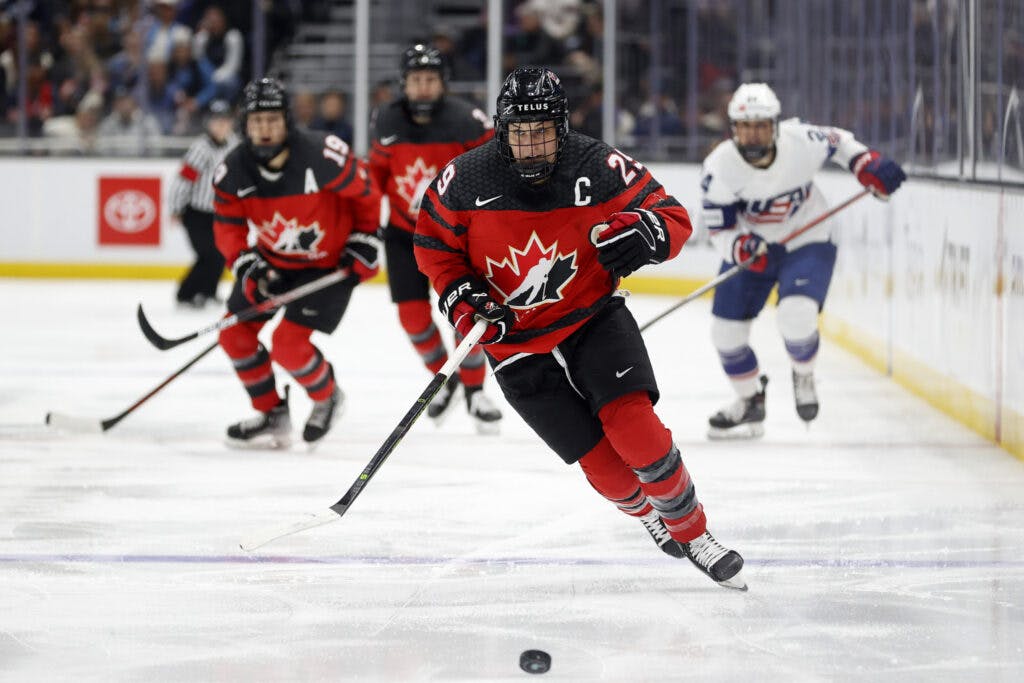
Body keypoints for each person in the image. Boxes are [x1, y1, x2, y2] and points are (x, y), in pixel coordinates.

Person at [414, 66, 746, 590]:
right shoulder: (466, 178)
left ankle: (696, 532)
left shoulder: (597, 163)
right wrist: (462, 298)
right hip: (513, 339)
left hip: (590, 314)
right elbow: (435, 251)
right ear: (502, 130)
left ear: (562, 127)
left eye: (541, 131)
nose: (530, 146)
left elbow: (672, 215)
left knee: (633, 426)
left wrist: (647, 232)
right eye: (520, 133)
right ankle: (649, 516)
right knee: (603, 466)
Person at [699, 82, 906, 439]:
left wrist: (865, 162)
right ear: (734, 128)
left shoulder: (800, 142)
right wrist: (744, 248)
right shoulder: (719, 167)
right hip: (756, 251)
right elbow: (720, 229)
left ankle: (804, 372)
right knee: (726, 335)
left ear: (775, 125)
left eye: (761, 125)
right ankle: (750, 401)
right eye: (746, 127)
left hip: (809, 238)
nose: (753, 134)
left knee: (797, 316)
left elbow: (839, 141)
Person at [213, 77, 383, 449]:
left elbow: (366, 190)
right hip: (273, 263)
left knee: (288, 345)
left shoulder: (323, 154)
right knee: (233, 334)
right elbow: (228, 228)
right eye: (257, 122)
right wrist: (246, 264)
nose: (266, 130)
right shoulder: (232, 171)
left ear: (287, 121)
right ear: (246, 126)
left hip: (329, 266)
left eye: (272, 120)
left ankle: (327, 397)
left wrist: (366, 238)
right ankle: (272, 414)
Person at [369, 44, 502, 433]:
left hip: (453, 236)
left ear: (442, 83)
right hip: (401, 233)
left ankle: (476, 392)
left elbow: (491, 174)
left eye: (430, 80)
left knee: (465, 313)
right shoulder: (387, 119)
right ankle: (446, 376)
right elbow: (376, 173)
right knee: (412, 317)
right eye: (416, 80)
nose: (423, 87)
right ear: (404, 84)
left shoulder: (469, 121)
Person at [168, 99, 237, 309]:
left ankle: (208, 292)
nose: (221, 126)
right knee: (208, 254)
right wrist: (175, 208)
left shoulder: (234, 144)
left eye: (224, 121)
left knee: (220, 254)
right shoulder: (200, 148)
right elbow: (184, 179)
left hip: (220, 213)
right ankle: (185, 293)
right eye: (217, 122)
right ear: (209, 124)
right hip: (196, 213)